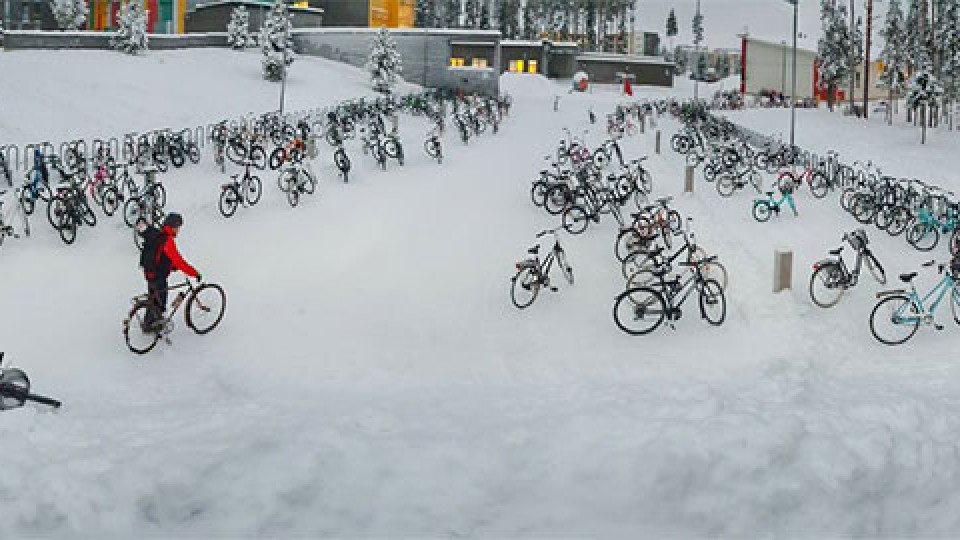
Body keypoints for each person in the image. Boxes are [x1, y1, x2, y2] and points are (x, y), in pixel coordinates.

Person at [140, 213, 200, 332]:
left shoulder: (158, 234)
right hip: (158, 277)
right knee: (160, 303)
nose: (179, 230)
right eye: (178, 227)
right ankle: (155, 326)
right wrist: (195, 273)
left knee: (153, 298)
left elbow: (161, 256)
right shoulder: (167, 241)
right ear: (173, 227)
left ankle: (148, 322)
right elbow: (180, 261)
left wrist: (170, 265)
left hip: (149, 273)